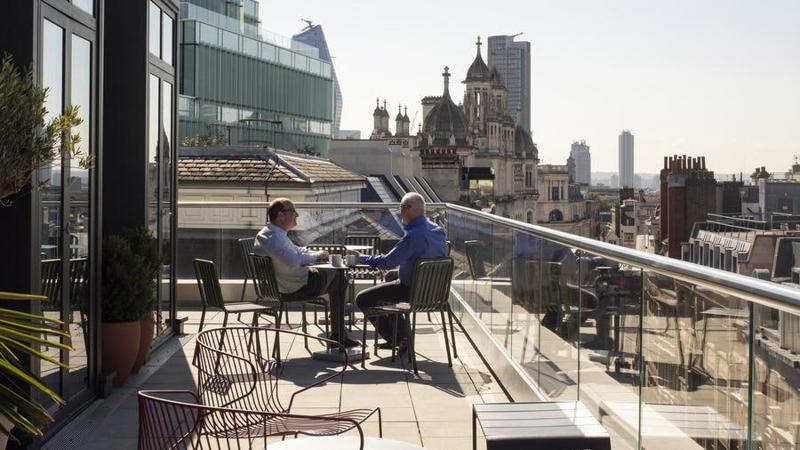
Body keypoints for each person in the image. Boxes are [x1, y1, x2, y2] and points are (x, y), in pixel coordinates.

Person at [253, 198, 358, 347]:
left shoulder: (273, 234)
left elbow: (296, 251)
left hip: (291, 283)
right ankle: (338, 335)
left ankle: (338, 335)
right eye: (293, 211)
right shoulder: (273, 238)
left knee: (339, 279)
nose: (296, 215)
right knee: (340, 276)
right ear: (281, 215)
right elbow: (294, 260)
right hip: (295, 288)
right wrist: (316, 256)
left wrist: (316, 254)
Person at [350, 193, 448, 351]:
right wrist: (398, 271)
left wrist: (360, 258)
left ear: (407, 209)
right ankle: (402, 339)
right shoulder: (436, 230)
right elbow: (424, 260)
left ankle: (396, 339)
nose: (399, 211)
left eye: (401, 207)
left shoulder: (413, 235)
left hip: (413, 291)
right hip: (435, 291)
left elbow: (385, 262)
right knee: (389, 285)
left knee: (363, 299)